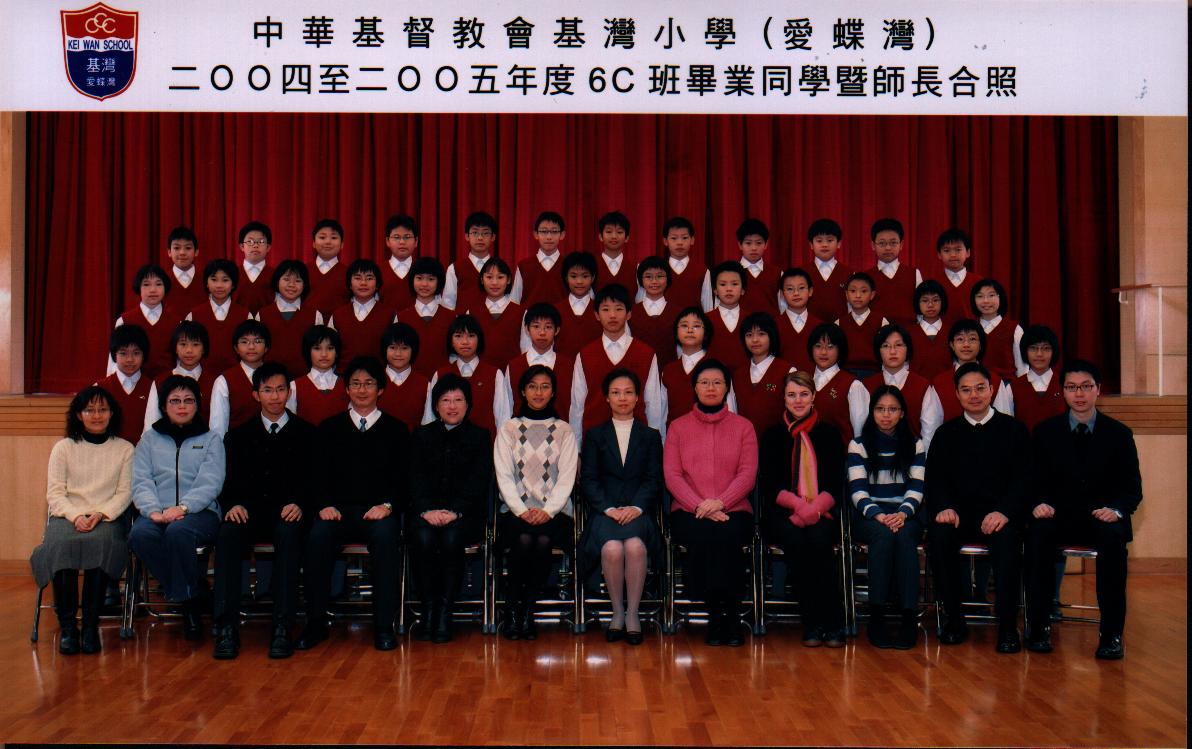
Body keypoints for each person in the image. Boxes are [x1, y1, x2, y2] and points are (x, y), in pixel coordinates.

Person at [1025, 360, 1141, 659]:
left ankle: (1111, 635)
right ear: (1063, 391)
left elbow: (1132, 490)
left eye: (1086, 387)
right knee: (1037, 535)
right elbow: (1032, 481)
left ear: (1098, 390)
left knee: (1113, 540)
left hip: (1100, 516)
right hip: (1058, 515)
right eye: (1072, 387)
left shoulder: (1119, 434)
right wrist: (1038, 503)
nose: (1079, 394)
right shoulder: (1045, 432)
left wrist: (1116, 510)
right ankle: (1038, 627)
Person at [297, 356, 408, 652]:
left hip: (378, 512)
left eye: (369, 384)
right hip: (337, 512)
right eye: (356, 384)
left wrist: (388, 505)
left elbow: (404, 479)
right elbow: (316, 475)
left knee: (387, 538)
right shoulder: (329, 428)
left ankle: (383, 626)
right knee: (317, 536)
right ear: (346, 389)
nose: (362, 390)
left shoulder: (397, 430)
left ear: (380, 389)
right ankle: (315, 623)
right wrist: (323, 504)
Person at [211, 362, 315, 660]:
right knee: (228, 534)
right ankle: (226, 628)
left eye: (280, 389)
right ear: (256, 395)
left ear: (289, 392)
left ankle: (282, 627)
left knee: (290, 534)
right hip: (249, 512)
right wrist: (233, 504)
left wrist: (301, 503)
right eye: (267, 390)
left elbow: (314, 479)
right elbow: (226, 481)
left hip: (288, 512)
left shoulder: (307, 433)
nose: (275, 396)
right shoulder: (237, 436)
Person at [925, 362, 1030, 653]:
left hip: (999, 516)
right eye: (966, 390)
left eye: (980, 388)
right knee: (939, 537)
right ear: (957, 395)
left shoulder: (1014, 430)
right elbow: (934, 480)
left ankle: (1007, 628)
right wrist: (945, 507)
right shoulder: (946, 434)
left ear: (992, 390)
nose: (974, 395)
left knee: (1008, 543)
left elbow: (1024, 480)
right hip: (959, 516)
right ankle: (954, 621)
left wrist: (1005, 511)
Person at [30, 386, 134, 655]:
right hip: (68, 516)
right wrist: (76, 516)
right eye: (90, 410)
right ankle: (68, 627)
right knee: (60, 545)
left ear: (112, 413)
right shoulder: (63, 448)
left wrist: (101, 514)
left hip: (106, 517)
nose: (96, 415)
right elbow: (55, 493)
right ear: (78, 414)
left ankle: (89, 626)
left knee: (102, 543)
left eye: (102, 410)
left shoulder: (125, 449)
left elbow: (125, 494)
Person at [664, 358, 758, 646]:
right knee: (706, 534)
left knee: (727, 536)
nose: (711, 388)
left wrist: (720, 503)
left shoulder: (744, 427)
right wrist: (699, 506)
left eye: (717, 382)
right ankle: (717, 616)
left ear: (727, 388)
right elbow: (672, 475)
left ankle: (729, 616)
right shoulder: (678, 427)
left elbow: (747, 474)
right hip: (688, 510)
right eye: (704, 382)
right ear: (694, 388)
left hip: (734, 509)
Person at [128, 375, 225, 642]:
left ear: (197, 405)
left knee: (178, 532)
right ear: (163, 406)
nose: (182, 406)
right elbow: (141, 480)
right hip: (157, 511)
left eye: (188, 400)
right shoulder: (149, 440)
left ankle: (189, 609)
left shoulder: (211, 439)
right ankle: (193, 594)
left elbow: (211, 482)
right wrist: (152, 511)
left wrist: (183, 507)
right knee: (140, 535)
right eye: (175, 401)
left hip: (201, 512)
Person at [759, 370, 848, 648]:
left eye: (804, 394)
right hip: (784, 513)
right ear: (784, 399)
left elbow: (835, 482)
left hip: (822, 510)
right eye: (791, 395)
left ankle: (832, 622)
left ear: (814, 396)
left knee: (819, 541)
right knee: (797, 542)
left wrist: (814, 509)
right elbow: (770, 485)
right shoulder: (772, 435)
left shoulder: (830, 434)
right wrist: (799, 507)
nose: (798, 400)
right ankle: (812, 622)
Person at [579, 369, 663, 646]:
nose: (622, 398)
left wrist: (636, 507)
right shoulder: (594, 435)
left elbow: (654, 479)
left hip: (640, 512)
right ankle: (617, 612)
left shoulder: (651, 436)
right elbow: (589, 480)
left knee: (636, 547)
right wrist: (609, 509)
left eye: (628, 392)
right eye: (616, 393)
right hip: (605, 513)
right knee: (613, 549)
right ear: (607, 398)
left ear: (638, 397)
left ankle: (633, 614)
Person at [495, 365, 579, 641]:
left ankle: (527, 612)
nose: (538, 392)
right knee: (523, 540)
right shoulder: (508, 429)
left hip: (555, 514)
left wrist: (547, 511)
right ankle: (513, 609)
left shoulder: (564, 431)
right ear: (522, 391)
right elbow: (503, 475)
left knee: (541, 541)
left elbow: (567, 478)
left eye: (545, 386)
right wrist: (521, 510)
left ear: (553, 392)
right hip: (514, 513)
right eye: (532, 386)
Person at [408, 374, 493, 643]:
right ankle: (428, 610)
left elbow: (479, 481)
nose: (452, 406)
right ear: (436, 406)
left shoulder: (480, 437)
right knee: (422, 537)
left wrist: (455, 511)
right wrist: (426, 510)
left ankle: (445, 612)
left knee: (451, 537)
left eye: (458, 400)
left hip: (465, 514)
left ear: (468, 405)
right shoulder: (421, 435)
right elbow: (414, 478)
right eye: (445, 400)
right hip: (426, 513)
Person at [847, 385, 927, 649]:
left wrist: (902, 513)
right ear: (872, 412)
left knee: (904, 537)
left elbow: (916, 488)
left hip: (906, 514)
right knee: (882, 536)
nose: (886, 415)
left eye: (893, 409)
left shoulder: (915, 444)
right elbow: (858, 491)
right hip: (870, 516)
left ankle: (908, 618)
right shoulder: (858, 445)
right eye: (880, 409)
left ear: (902, 413)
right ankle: (877, 616)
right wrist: (879, 515)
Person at [569, 284, 664, 441]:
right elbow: (577, 406)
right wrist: (577, 447)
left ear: (629, 314)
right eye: (606, 309)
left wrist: (654, 443)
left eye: (619, 309)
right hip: (595, 440)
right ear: (596, 315)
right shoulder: (585, 355)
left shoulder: (646, 353)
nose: (612, 315)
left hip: (637, 440)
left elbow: (653, 404)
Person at [424, 314, 513, 438]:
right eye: (458, 336)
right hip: (445, 446)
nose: (465, 342)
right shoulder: (440, 375)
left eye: (471, 336)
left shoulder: (495, 374)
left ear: (479, 339)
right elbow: (430, 418)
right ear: (451, 341)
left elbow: (503, 419)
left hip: (485, 446)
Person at [863, 323, 944, 449]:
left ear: (908, 349)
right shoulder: (866, 386)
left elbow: (930, 429)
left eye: (899, 345)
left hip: (914, 455)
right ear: (878, 351)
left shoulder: (922, 386)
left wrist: (922, 457)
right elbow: (862, 427)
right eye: (886, 346)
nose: (892, 351)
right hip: (874, 455)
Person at [107, 263, 183, 380]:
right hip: (134, 383)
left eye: (158, 284)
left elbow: (180, 360)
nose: (153, 290)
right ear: (138, 288)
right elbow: (114, 361)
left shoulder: (177, 322)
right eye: (146, 284)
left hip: (168, 384)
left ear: (165, 288)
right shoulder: (125, 321)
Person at [930, 319, 1015, 422]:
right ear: (952, 345)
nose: (966, 344)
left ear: (981, 345)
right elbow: (933, 424)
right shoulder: (939, 383)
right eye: (960, 339)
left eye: (972, 339)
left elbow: (1004, 422)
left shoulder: (995, 381)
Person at [142, 320, 218, 431]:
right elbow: (151, 424)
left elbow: (217, 424)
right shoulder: (160, 381)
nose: (189, 350)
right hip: (166, 440)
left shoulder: (215, 382)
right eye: (183, 344)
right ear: (175, 348)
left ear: (204, 349)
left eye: (196, 344)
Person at [186, 258, 253, 377]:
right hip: (201, 377)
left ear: (233, 284)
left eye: (225, 280)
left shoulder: (245, 315)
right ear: (206, 283)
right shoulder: (194, 315)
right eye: (214, 280)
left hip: (236, 376)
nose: (219, 285)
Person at [327, 259, 397, 370]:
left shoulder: (390, 315)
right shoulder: (337, 315)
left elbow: (395, 351)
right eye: (358, 278)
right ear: (349, 284)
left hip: (378, 376)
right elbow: (329, 350)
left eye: (369, 278)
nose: (363, 283)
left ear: (377, 284)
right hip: (343, 376)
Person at [209, 319, 275, 437]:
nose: (251, 347)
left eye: (258, 341)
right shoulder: (223, 381)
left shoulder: (277, 376)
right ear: (236, 348)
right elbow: (218, 428)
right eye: (244, 342)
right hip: (237, 445)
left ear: (266, 347)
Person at [732, 312, 794, 436]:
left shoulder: (788, 371)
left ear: (771, 336)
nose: (755, 340)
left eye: (761, 334)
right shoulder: (737, 375)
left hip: (779, 441)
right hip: (744, 442)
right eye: (749, 335)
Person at [258, 259, 323, 378]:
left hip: (305, 378)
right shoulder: (262, 314)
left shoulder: (315, 315)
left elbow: (319, 350)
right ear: (277, 281)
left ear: (305, 285)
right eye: (286, 279)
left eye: (298, 281)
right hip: (270, 380)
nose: (292, 285)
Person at [806, 322, 869, 443]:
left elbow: (859, 433)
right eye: (818, 346)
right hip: (805, 451)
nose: (823, 352)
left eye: (830, 347)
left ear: (840, 349)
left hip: (840, 452)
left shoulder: (853, 385)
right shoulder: (803, 380)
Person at [506, 302, 573, 416]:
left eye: (548, 327)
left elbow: (575, 406)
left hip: (560, 426)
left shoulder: (569, 366)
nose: (542, 332)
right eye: (536, 326)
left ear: (557, 330)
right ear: (527, 329)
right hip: (521, 426)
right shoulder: (514, 366)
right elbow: (507, 407)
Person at [703, 218, 781, 315]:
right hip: (739, 323)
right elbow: (720, 306)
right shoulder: (729, 273)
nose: (753, 248)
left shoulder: (777, 273)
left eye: (758, 243)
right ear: (740, 245)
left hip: (770, 323)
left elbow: (783, 307)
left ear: (766, 244)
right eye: (748, 243)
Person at [396, 256, 455, 377]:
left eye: (431, 279)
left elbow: (455, 354)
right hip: (411, 381)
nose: (424, 284)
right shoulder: (401, 318)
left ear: (439, 282)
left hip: (444, 381)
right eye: (419, 278)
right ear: (412, 280)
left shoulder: (451, 317)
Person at [96, 324, 153, 445]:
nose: (130, 359)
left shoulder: (153, 388)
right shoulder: (99, 388)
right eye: (123, 353)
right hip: (109, 452)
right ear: (114, 355)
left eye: (136, 353)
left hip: (144, 453)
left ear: (144, 355)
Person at [1009, 324, 1067, 432]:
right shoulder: (1013, 387)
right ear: (1025, 351)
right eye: (1033, 348)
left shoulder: (1065, 384)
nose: (1039, 354)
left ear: (1054, 351)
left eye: (1046, 348)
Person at [468, 257, 523, 369]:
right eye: (489, 277)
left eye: (500, 277)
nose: (494, 282)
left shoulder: (521, 312)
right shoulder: (471, 312)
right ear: (482, 280)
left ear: (508, 280)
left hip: (513, 372)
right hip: (480, 372)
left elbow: (525, 347)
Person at [865, 218, 922, 327]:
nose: (888, 248)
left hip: (908, 333)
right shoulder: (865, 277)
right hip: (877, 333)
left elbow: (921, 310)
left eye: (893, 243)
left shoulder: (914, 274)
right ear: (873, 245)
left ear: (901, 244)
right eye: (882, 243)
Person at [290, 325, 348, 426]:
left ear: (337, 353)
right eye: (317, 348)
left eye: (330, 348)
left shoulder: (348, 385)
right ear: (308, 352)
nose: (324, 354)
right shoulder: (294, 386)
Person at [377, 322, 431, 429]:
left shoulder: (424, 384)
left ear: (413, 350)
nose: (398, 354)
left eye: (404, 348)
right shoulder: (374, 380)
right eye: (393, 347)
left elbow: (428, 424)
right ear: (384, 349)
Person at [970, 278, 1026, 381]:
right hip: (976, 385)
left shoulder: (1014, 329)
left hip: (1007, 385)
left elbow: (1022, 368)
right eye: (980, 296)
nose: (986, 301)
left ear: (1000, 297)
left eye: (991, 295)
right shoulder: (970, 328)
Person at [835, 272, 888, 378]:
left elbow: (886, 352)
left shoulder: (882, 322)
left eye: (864, 291)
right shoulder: (839, 323)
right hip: (846, 374)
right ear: (846, 295)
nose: (858, 296)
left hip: (874, 374)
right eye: (853, 291)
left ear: (872, 295)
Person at [630, 257, 680, 368]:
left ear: (668, 279)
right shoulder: (631, 313)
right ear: (640, 280)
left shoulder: (678, 313)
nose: (654, 281)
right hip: (638, 370)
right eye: (648, 277)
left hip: (669, 371)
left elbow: (681, 348)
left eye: (660, 276)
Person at [443, 211, 497, 312]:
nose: (480, 238)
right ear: (467, 236)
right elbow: (448, 305)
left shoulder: (500, 268)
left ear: (493, 237)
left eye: (485, 233)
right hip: (464, 321)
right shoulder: (455, 268)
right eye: (475, 233)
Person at [512, 211, 567, 306]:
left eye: (554, 231)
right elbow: (514, 301)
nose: (549, 237)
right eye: (544, 231)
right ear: (536, 234)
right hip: (530, 316)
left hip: (562, 316)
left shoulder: (569, 265)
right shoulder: (523, 266)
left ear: (562, 234)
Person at [803, 218, 852, 324]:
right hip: (810, 329)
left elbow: (852, 307)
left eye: (830, 240)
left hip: (840, 329)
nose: (824, 245)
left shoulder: (849, 274)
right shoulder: (801, 273)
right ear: (811, 244)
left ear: (839, 243)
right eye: (819, 241)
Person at [704, 261, 749, 372]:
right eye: (723, 284)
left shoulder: (751, 320)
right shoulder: (704, 320)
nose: (729, 289)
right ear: (715, 290)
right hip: (714, 378)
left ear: (743, 290)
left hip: (746, 377)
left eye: (734, 284)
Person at [777, 267, 822, 373]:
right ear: (782, 294)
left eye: (801, 288)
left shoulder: (820, 327)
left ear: (810, 291)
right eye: (790, 289)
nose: (796, 293)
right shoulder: (773, 326)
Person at [657, 216, 707, 311]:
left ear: (692, 240)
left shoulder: (703, 271)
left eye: (684, 238)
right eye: (674, 238)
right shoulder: (658, 270)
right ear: (665, 241)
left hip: (693, 320)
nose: (679, 242)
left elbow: (707, 306)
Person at [908, 280, 954, 380]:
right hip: (917, 386)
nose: (930, 305)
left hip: (947, 385)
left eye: (935, 300)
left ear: (943, 302)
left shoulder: (952, 332)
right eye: (925, 301)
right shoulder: (908, 333)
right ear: (917, 303)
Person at [306, 217, 350, 319]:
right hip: (307, 326)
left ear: (342, 244)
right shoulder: (302, 271)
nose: (328, 242)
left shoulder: (349, 273)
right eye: (322, 237)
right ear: (313, 243)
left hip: (338, 326)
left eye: (333, 238)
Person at [932, 228, 977, 324]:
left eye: (958, 250)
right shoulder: (933, 284)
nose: (953, 255)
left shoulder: (979, 282)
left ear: (968, 252)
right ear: (939, 254)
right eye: (947, 250)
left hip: (972, 332)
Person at [232, 220, 276, 314]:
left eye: (261, 241)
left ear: (268, 247)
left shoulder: (276, 275)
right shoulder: (231, 274)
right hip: (238, 322)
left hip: (267, 322)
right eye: (250, 241)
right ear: (242, 246)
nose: (255, 245)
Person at [379, 214, 419, 313]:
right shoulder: (377, 271)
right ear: (387, 241)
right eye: (396, 237)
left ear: (416, 241)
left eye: (407, 237)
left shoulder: (423, 270)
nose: (402, 242)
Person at [594, 211, 637, 296]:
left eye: (619, 232)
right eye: (609, 232)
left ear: (627, 238)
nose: (614, 236)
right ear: (600, 236)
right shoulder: (591, 266)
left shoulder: (636, 268)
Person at [164, 225, 206, 313]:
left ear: (196, 252)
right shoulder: (162, 280)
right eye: (177, 248)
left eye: (188, 248)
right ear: (169, 252)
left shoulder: (206, 279)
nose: (182, 253)